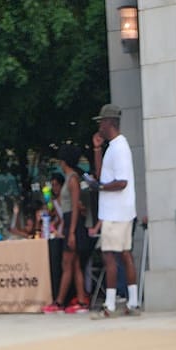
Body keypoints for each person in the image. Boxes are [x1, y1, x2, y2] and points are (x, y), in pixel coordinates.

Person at [91, 105, 140, 316]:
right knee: (125, 254)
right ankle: (133, 301)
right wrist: (97, 150)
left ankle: (110, 304)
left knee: (109, 257)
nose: (99, 126)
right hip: (122, 211)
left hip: (115, 212)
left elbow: (121, 182)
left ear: (109, 123)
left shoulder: (119, 148)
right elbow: (103, 174)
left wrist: (100, 187)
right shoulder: (115, 146)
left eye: (101, 122)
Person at [50, 158, 90, 310]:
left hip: (72, 222)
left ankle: (59, 301)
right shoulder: (69, 178)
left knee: (67, 263)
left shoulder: (72, 179)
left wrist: (71, 231)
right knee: (74, 264)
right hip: (69, 222)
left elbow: (74, 207)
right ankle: (80, 300)